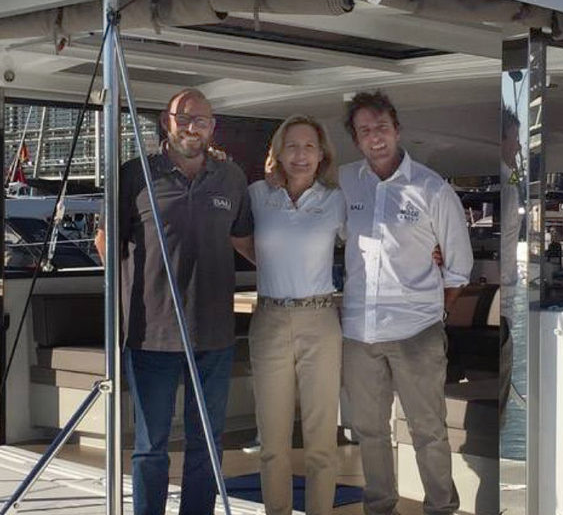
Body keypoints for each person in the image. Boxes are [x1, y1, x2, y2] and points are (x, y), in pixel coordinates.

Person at [94, 88, 253, 515]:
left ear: (212, 127)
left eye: (200, 120)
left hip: (214, 336)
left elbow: (244, 240)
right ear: (167, 122)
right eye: (183, 119)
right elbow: (106, 241)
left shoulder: (231, 178)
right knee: (151, 447)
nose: (191, 127)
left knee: (207, 443)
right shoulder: (135, 174)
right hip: (152, 335)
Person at [339, 91, 473, 515]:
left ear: (397, 129)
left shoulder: (432, 188)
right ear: (356, 139)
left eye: (381, 127)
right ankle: (380, 507)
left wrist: (434, 313)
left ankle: (441, 508)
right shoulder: (346, 181)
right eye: (364, 131)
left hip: (417, 332)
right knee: (369, 430)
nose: (375, 137)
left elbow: (458, 268)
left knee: (428, 430)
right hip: (358, 332)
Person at [246, 114, 346, 515]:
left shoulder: (335, 199)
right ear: (278, 152)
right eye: (292, 146)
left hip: (320, 320)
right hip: (269, 319)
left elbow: (370, 245)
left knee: (321, 442)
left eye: (308, 147)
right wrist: (271, 263)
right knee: (272, 443)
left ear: (322, 155)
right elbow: (237, 236)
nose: (300, 155)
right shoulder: (256, 196)